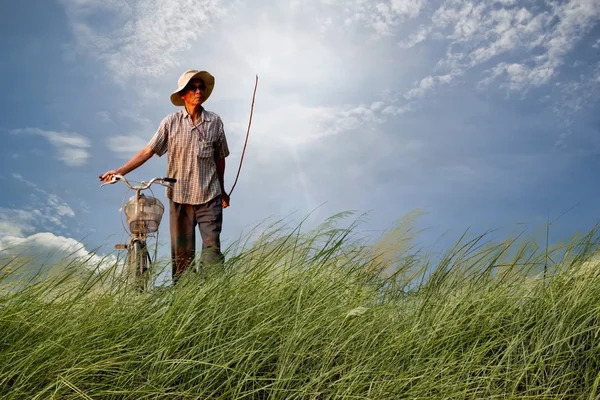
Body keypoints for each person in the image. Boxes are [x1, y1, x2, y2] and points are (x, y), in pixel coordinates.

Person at [100, 69, 230, 284]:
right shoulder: (170, 123)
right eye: (193, 87)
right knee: (181, 257)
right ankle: (184, 302)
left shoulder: (215, 122)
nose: (198, 91)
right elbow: (149, 151)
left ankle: (213, 297)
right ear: (183, 95)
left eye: (201, 87)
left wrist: (223, 191)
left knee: (212, 252)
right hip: (179, 197)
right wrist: (120, 171)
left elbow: (220, 159)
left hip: (209, 196)